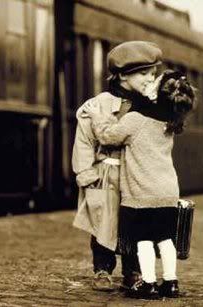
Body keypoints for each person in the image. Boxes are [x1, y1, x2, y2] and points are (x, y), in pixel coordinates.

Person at [83, 69, 196, 299]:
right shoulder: (169, 122)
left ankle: (148, 283)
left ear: (154, 94)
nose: (149, 80)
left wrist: (97, 117)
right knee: (165, 239)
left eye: (154, 80)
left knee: (143, 240)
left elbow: (107, 136)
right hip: (167, 194)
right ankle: (171, 282)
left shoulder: (136, 120)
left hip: (142, 193)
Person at [72, 41, 163, 291]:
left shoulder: (150, 106)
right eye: (144, 73)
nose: (150, 78)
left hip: (137, 174)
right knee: (104, 220)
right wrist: (86, 172)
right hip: (106, 173)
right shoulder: (98, 104)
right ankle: (102, 269)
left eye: (153, 74)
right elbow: (84, 140)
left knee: (135, 222)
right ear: (123, 75)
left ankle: (133, 271)